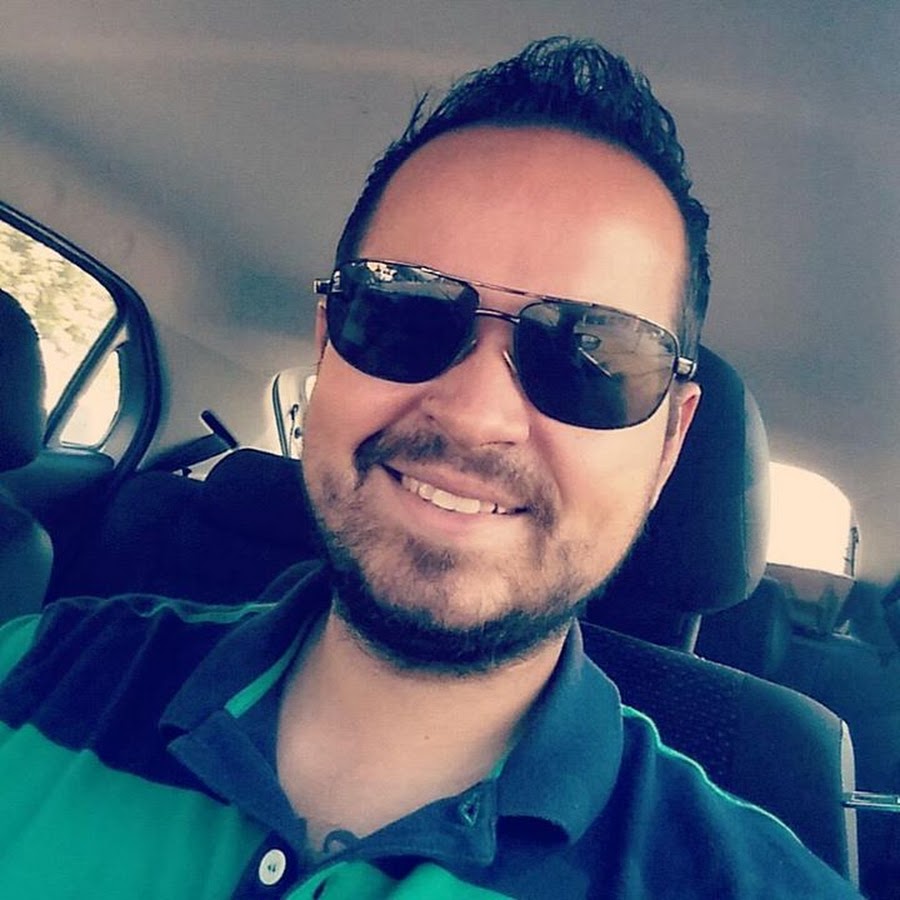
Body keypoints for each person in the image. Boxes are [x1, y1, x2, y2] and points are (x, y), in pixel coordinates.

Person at [0, 36, 860, 899]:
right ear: (327, 347)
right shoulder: (34, 671)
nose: (476, 414)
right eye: (404, 311)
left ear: (669, 442)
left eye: (590, 357)